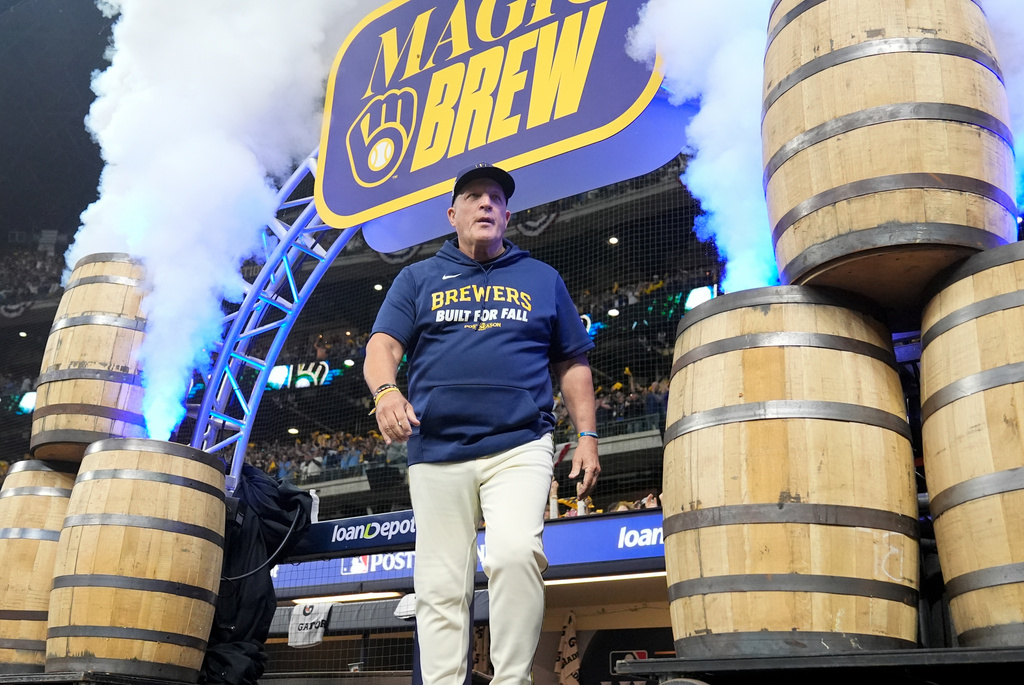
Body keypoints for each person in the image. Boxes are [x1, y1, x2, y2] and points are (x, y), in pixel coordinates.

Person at [364, 163, 600, 685]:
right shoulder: (417, 277)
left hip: (519, 443)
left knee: (516, 554)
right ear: (453, 215)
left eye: (496, 197)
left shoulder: (541, 278)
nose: (487, 203)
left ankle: (512, 680)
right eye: (474, 196)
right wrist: (385, 392)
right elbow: (382, 345)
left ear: (508, 216)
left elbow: (572, 362)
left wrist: (587, 435)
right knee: (440, 583)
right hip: (435, 448)